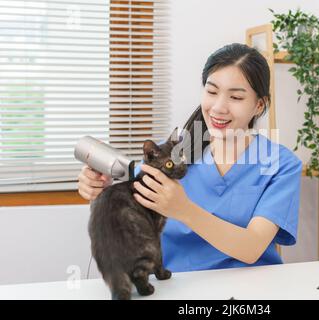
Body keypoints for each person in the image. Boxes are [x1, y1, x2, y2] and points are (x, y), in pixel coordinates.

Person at [78, 43, 303, 272]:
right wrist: (101, 193)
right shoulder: (167, 158)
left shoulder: (280, 164)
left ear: (258, 105)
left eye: (235, 97)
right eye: (212, 91)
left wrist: (184, 209)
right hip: (175, 287)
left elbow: (252, 247)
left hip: (252, 290)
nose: (218, 107)